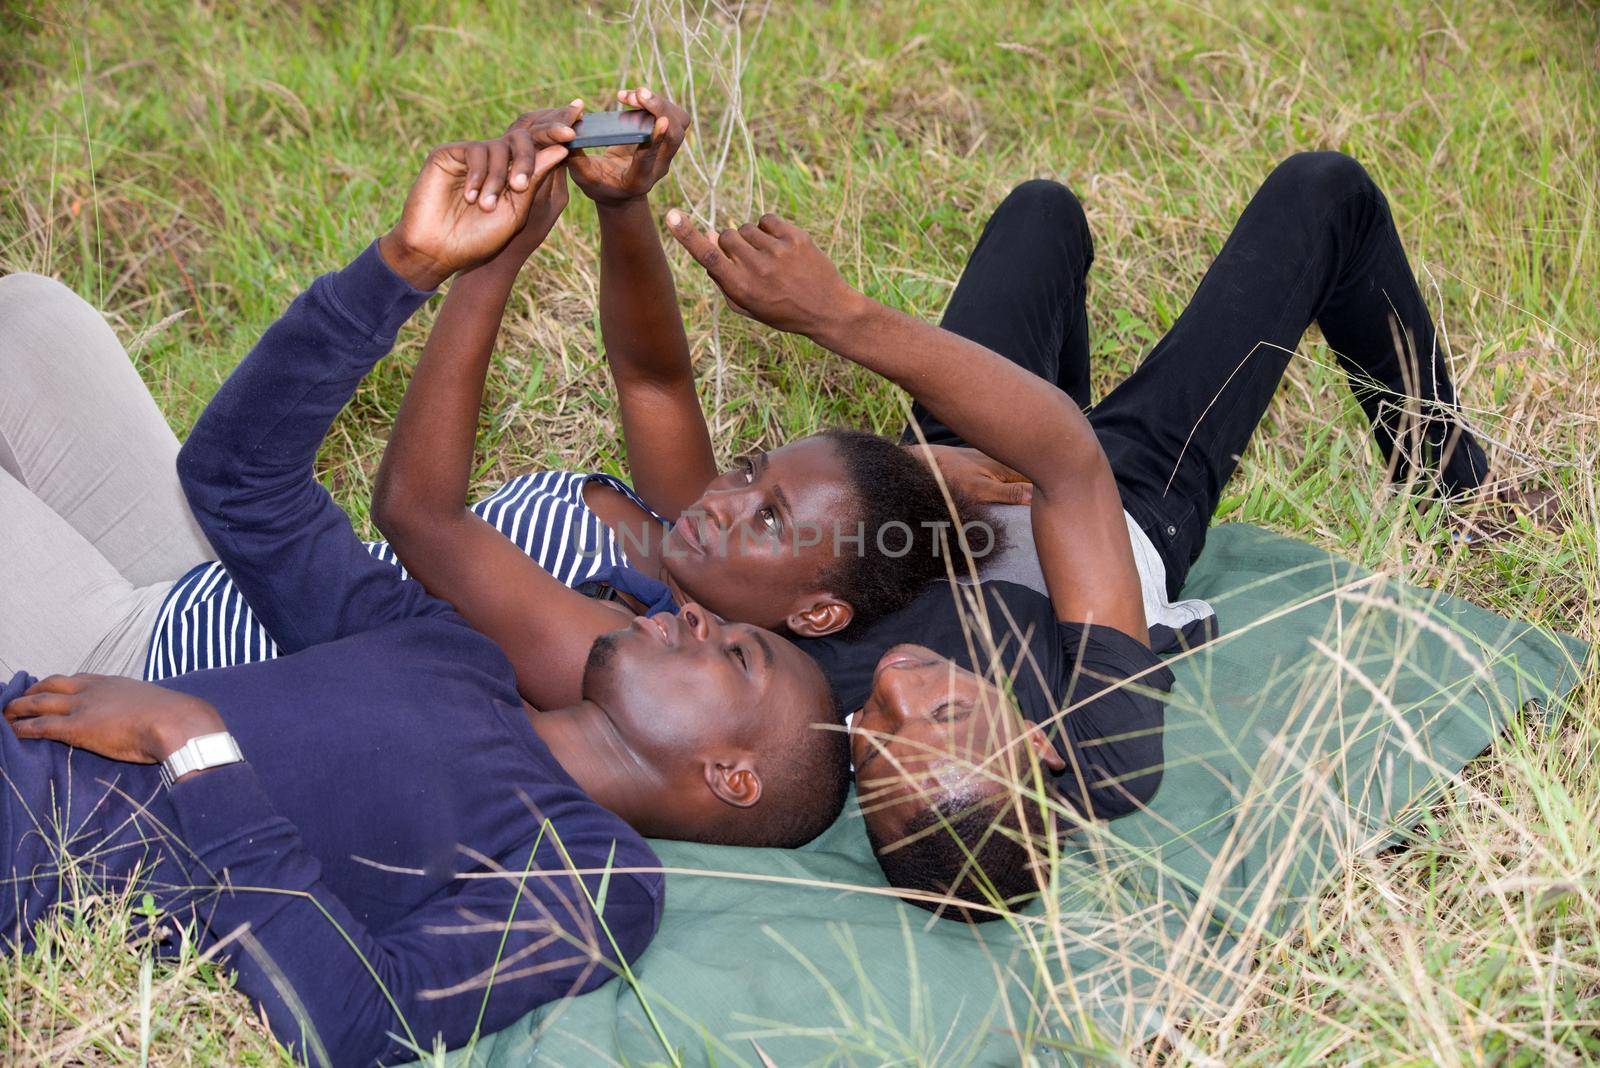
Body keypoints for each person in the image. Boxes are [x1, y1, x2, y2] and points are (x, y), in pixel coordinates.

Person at [1, 135, 848, 1063]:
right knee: (28, 311)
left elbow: (357, 1021)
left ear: (734, 777)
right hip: (30, 717)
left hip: (40, 852)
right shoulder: (455, 655)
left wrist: (196, 748)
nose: (691, 614)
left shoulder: (598, 876)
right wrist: (408, 268)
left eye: (735, 653)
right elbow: (241, 484)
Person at [660, 151, 1496, 920]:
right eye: (941, 711)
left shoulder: (814, 697)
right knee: (1322, 194)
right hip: (1108, 499)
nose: (895, 684)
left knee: (1041, 214)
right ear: (1039, 745)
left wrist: (923, 470)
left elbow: (753, 531)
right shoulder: (1105, 755)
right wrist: (840, 317)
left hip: (928, 492)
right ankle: (1450, 474)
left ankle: (1000, 416)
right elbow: (1070, 468)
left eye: (871, 731)